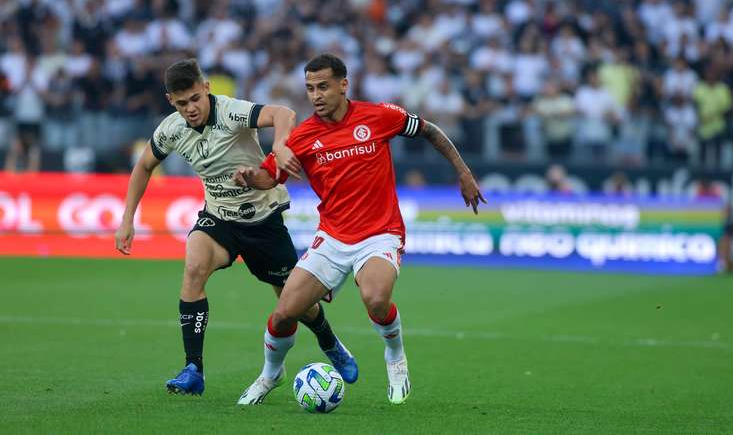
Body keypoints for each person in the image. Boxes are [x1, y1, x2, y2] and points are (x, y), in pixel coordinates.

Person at [233, 54, 485, 405]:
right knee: (284, 311)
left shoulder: (379, 116)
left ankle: (395, 355)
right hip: (333, 237)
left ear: (343, 85)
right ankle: (270, 374)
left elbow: (430, 130)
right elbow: (267, 176)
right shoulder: (302, 137)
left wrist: (463, 171)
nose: (316, 95)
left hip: (380, 232)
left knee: (376, 298)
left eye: (323, 86)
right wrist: (249, 177)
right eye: (309, 88)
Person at [114, 58, 357, 397]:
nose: (191, 108)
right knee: (194, 267)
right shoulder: (171, 128)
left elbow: (283, 114)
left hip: (263, 219)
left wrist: (280, 144)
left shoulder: (231, 111)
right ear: (171, 101)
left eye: (195, 99)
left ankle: (330, 342)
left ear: (206, 89)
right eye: (182, 103)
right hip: (219, 219)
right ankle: (193, 369)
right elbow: (143, 167)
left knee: (293, 304)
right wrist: (127, 220)